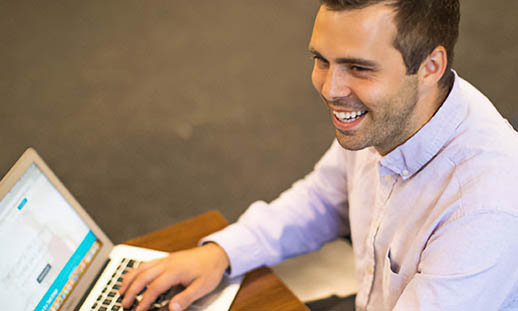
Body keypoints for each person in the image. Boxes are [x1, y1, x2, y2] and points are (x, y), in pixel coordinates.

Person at [120, 0, 518, 310]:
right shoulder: (389, 114)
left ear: (430, 66)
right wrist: (223, 254)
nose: (330, 89)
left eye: (358, 68)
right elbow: (326, 198)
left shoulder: (484, 211)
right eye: (321, 60)